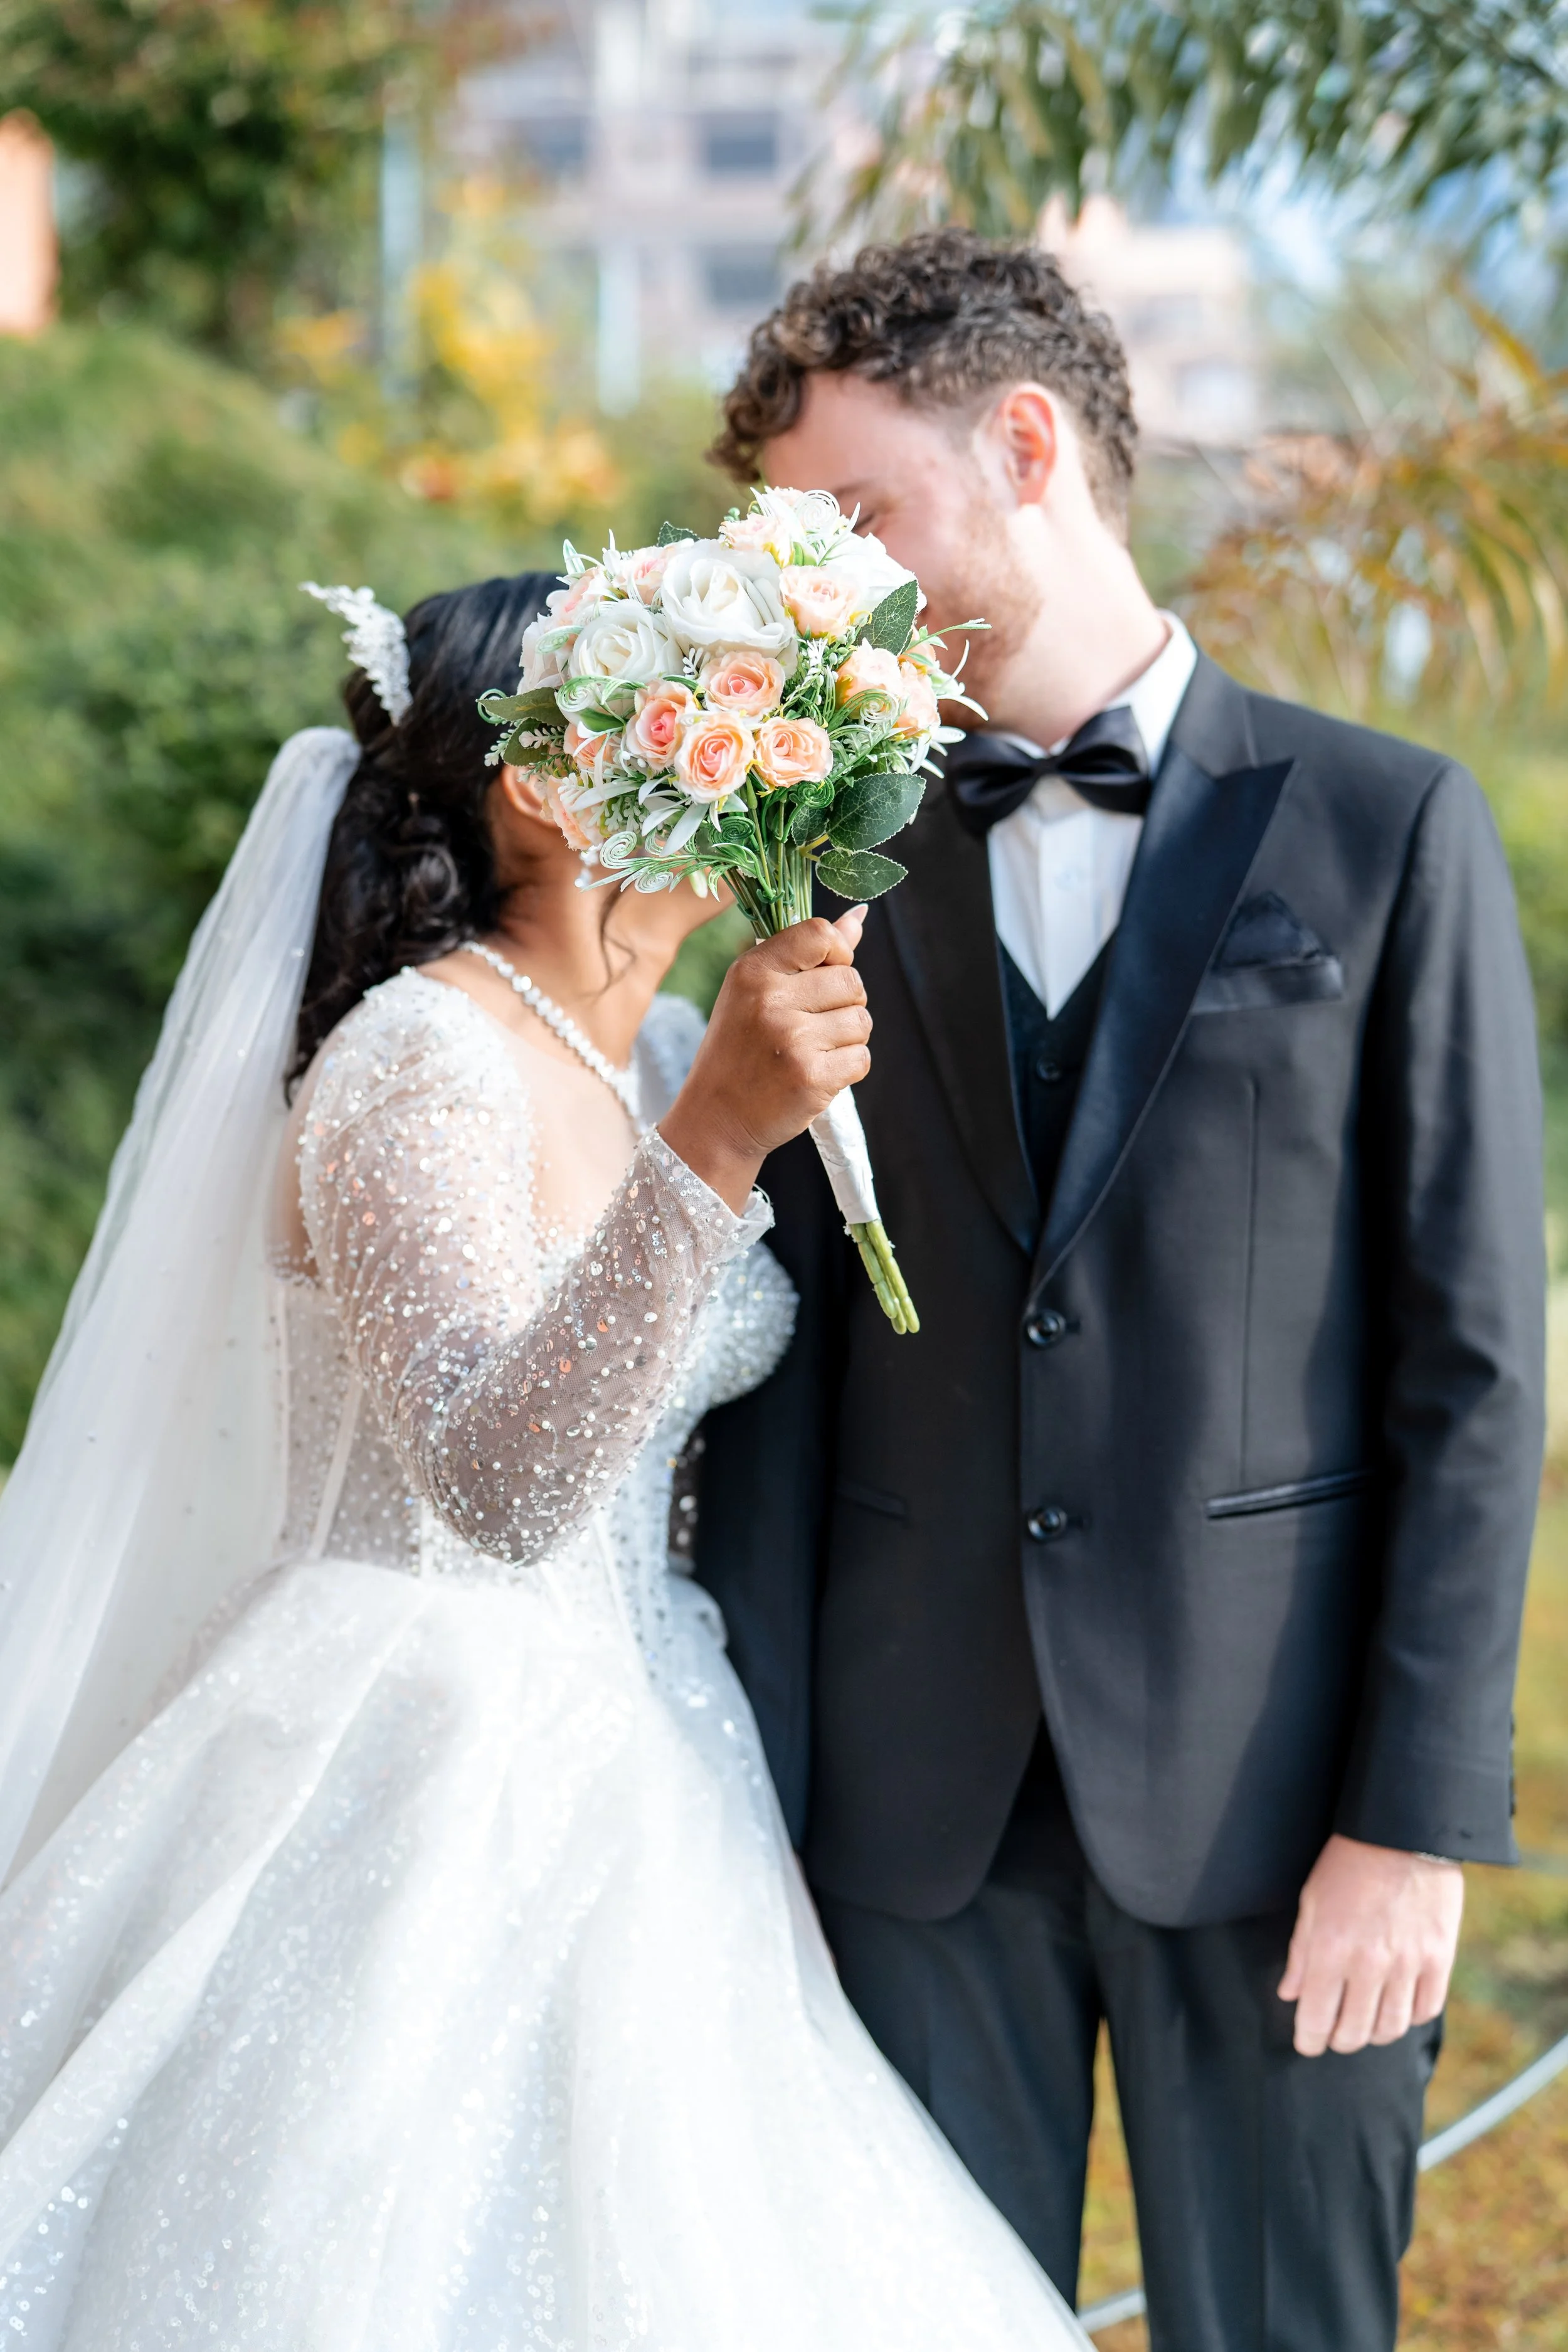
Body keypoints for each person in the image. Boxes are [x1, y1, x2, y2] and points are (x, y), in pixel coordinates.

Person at [0, 570, 1094, 2348]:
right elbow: (493, 1484)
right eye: (705, 715)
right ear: (551, 787)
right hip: (413, 1757)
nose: (765, 761)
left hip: (657, 1740)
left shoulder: (649, 1042)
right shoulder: (416, 1061)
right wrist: (721, 1138)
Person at [696, 228, 1547, 2351]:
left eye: (857, 519)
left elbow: (1471, 1367)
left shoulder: (1383, 828)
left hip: (1278, 1814)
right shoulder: (832, 854)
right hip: (906, 1821)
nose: (832, 588)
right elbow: (779, 1378)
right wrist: (758, 1814)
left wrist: (1407, 1821)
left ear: (1026, 441)